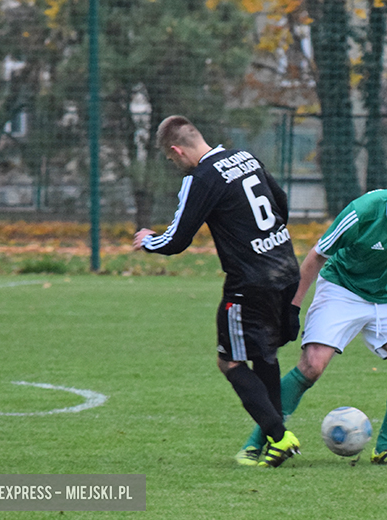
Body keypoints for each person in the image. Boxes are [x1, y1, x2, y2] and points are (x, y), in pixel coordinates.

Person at [239, 165, 387, 468]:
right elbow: (317, 256)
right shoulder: (362, 212)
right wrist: (293, 308)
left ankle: (386, 449)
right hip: (343, 288)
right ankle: (255, 443)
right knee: (311, 365)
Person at [132, 115, 302, 467]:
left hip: (250, 283)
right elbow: (281, 202)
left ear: (177, 150)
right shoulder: (245, 157)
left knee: (230, 361)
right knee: (265, 354)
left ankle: (279, 436)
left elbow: (177, 239)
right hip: (285, 268)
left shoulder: (201, 178)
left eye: (171, 159)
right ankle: (275, 438)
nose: (175, 165)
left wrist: (149, 241)